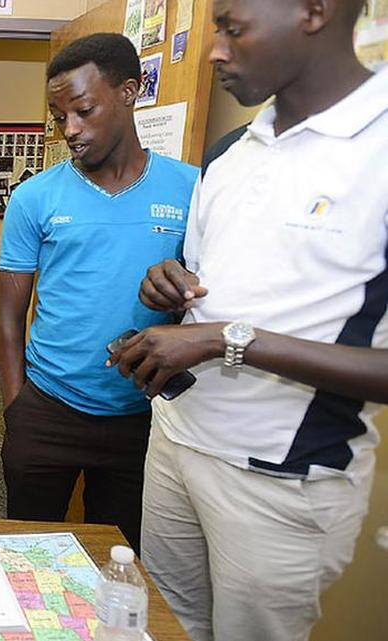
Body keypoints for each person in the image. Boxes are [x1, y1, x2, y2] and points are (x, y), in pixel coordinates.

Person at [109, 1, 386, 639]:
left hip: (281, 477)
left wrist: (224, 340)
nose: (215, 51)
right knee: (166, 624)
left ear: (314, 12)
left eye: (233, 29)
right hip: (175, 440)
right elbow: (208, 285)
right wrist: (168, 284)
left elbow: (229, 331)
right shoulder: (230, 152)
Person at [0, 32, 199, 551]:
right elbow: (9, 315)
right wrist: (16, 409)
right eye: (59, 116)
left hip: (144, 415)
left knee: (121, 559)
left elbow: (215, 299)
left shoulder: (192, 190)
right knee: (29, 551)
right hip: (48, 408)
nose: (70, 129)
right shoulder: (33, 198)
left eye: (83, 111)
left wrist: (180, 293)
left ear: (130, 91)